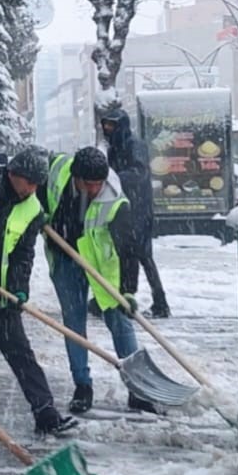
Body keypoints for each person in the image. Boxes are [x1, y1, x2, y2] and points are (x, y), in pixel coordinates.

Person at [0, 147, 78, 436]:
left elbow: (23, 255)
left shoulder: (33, 209)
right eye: (29, 182)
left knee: (21, 354)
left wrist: (19, 289)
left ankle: (46, 414)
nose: (32, 189)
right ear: (13, 173)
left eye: (37, 184)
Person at [43, 146, 146, 415]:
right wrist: (39, 215)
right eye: (87, 184)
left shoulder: (114, 199)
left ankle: (137, 389)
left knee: (120, 321)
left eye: (97, 184)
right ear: (75, 177)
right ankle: (82, 386)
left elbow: (128, 250)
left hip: (101, 263)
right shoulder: (56, 173)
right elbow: (37, 194)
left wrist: (128, 291)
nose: (93, 189)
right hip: (64, 258)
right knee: (74, 323)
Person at [101, 106, 169, 318]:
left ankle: (160, 302)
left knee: (144, 256)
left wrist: (114, 178)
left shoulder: (134, 145)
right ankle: (126, 294)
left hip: (139, 209)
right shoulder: (114, 148)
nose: (107, 129)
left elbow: (139, 172)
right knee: (125, 254)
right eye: (105, 125)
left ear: (121, 126)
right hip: (122, 208)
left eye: (111, 125)